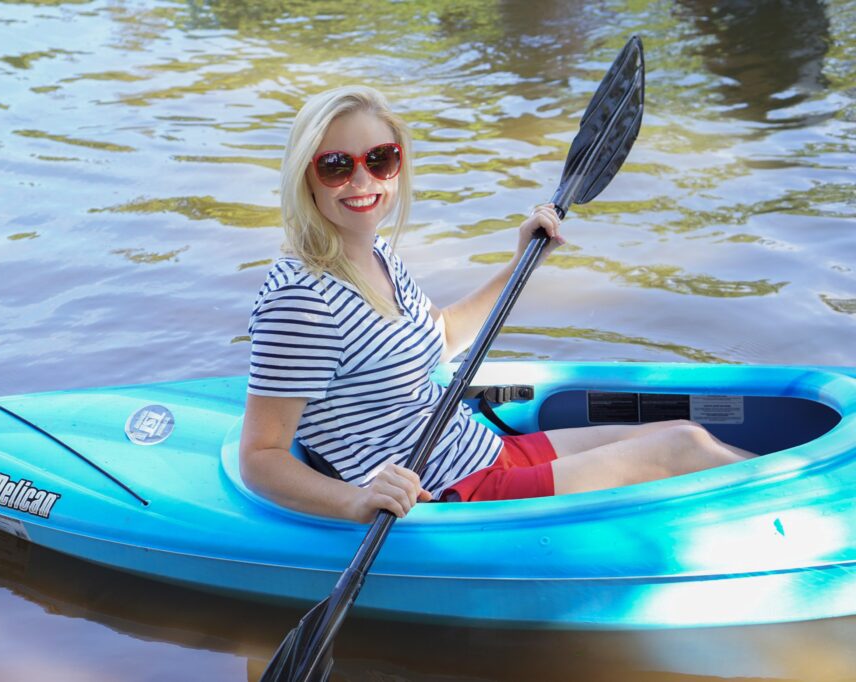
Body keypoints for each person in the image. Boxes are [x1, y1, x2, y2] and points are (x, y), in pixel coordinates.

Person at [239, 85, 755, 524]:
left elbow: (437, 340)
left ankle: (808, 490)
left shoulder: (372, 253)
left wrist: (522, 262)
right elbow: (261, 457)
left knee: (680, 431)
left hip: (479, 451)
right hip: (450, 497)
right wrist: (358, 502)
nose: (363, 181)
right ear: (303, 176)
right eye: (335, 165)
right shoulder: (301, 300)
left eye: (380, 159)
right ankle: (819, 511)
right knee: (681, 452)